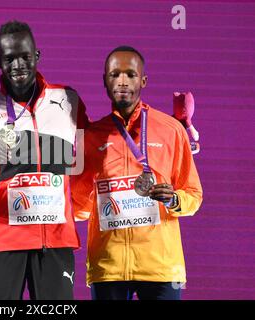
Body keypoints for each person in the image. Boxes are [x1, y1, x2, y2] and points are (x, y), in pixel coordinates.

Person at [0, 20, 89, 300]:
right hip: (3, 241)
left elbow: (101, 145)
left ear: (37, 55)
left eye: (25, 57)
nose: (18, 65)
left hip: (56, 239)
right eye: (9, 58)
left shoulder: (68, 101)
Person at [71, 46, 203, 300]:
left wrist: (174, 199)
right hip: (108, 267)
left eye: (131, 74)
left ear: (143, 80)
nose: (122, 81)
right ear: (105, 80)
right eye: (115, 74)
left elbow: (193, 195)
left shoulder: (171, 130)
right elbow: (78, 208)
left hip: (160, 267)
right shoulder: (89, 137)